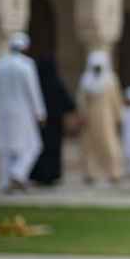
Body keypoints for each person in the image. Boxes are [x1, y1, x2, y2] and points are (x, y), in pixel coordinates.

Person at [0, 32, 47, 192]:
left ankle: (6, 183)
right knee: (33, 146)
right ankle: (17, 174)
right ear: (25, 47)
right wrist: (40, 113)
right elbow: (33, 90)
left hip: (1, 112)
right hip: (23, 113)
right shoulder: (27, 65)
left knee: (4, 149)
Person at [76, 50, 124, 184]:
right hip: (89, 119)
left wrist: (119, 117)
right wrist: (82, 115)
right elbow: (81, 100)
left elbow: (116, 100)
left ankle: (114, 172)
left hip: (106, 118)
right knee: (88, 147)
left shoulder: (111, 80)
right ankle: (90, 173)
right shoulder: (86, 80)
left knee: (109, 144)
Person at [29, 56, 77, 186]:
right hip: (55, 125)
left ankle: (39, 176)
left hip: (39, 124)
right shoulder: (56, 83)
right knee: (52, 150)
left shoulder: (36, 85)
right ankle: (51, 176)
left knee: (39, 149)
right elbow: (68, 103)